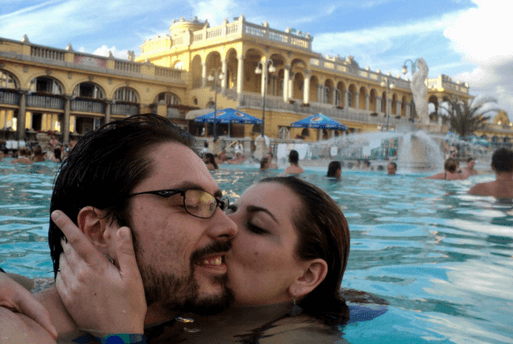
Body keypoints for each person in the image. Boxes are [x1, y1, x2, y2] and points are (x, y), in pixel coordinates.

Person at [2, 175, 353, 343]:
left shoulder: (301, 339)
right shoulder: (183, 302)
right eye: (230, 208)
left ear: (307, 276)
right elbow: (35, 291)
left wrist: (119, 335)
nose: (226, 224)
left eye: (257, 226)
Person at [0, 114, 238, 343]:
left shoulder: (190, 317)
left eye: (217, 204)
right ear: (98, 230)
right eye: (192, 203)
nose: (229, 226)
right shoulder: (19, 332)